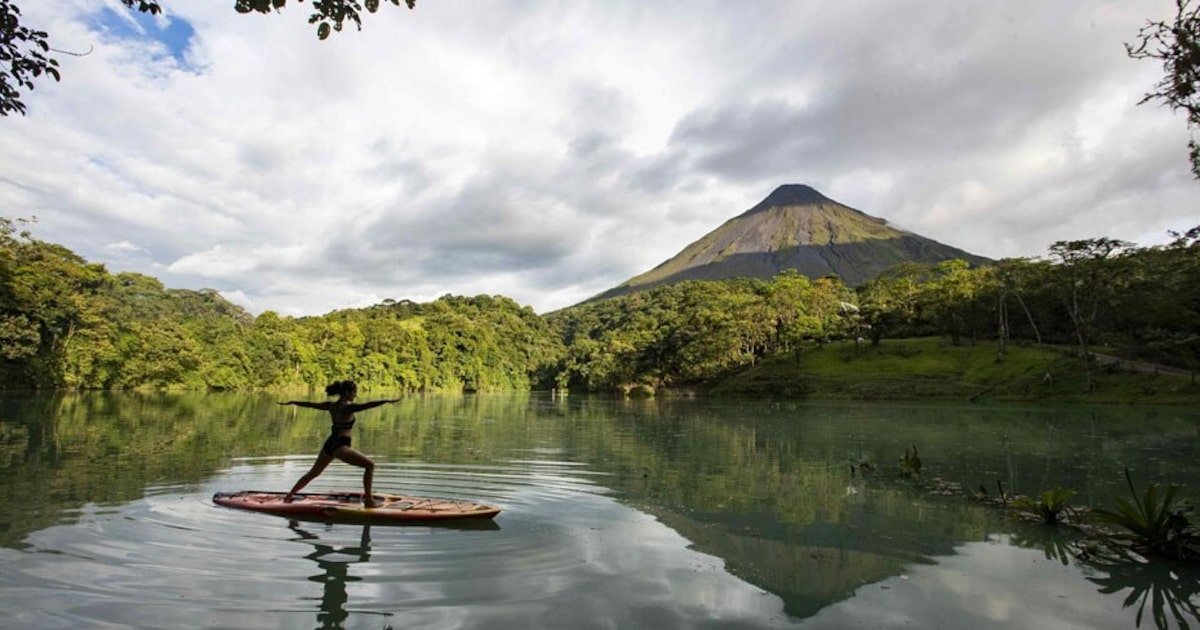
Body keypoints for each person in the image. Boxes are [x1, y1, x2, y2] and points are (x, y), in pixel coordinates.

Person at [280, 380, 399, 507]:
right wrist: (385, 401)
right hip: (340, 445)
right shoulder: (347, 408)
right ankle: (369, 501)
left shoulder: (331, 406)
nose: (355, 395)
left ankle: (289, 496)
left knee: (313, 473)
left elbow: (310, 404)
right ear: (347, 393)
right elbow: (367, 405)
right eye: (354, 392)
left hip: (330, 443)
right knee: (369, 466)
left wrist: (293, 402)